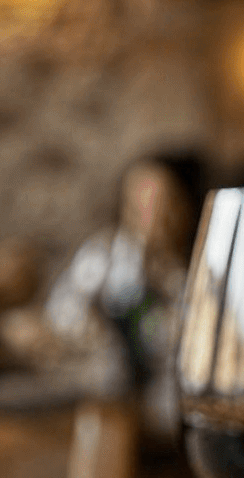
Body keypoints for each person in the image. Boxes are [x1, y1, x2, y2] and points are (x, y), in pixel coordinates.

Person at [43, 152, 203, 391]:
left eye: (168, 202)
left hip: (165, 393)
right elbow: (62, 318)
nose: (161, 214)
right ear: (128, 208)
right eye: (149, 203)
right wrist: (103, 335)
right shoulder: (101, 257)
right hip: (102, 387)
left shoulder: (182, 274)